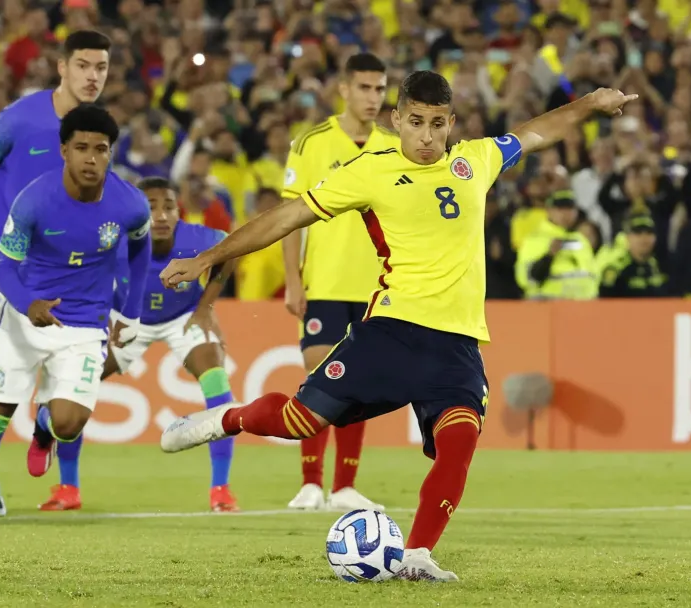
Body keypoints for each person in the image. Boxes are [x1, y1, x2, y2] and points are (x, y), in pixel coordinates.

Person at [158, 71, 636, 581]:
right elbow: (286, 217)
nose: (427, 136)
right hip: (389, 332)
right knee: (299, 422)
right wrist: (210, 255)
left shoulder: (476, 159)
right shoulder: (369, 171)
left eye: (437, 124)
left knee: (460, 444)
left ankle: (417, 555)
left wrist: (590, 103)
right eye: (415, 123)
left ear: (452, 123)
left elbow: (539, 130)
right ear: (396, 120)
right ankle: (224, 420)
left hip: (456, 345)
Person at [0, 105, 152, 530]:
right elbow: (6, 267)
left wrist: (133, 311)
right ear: (64, 151)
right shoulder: (33, 199)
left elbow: (142, 251)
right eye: (82, 148)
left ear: (111, 153)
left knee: (70, 424)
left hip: (85, 325)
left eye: (101, 149)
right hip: (24, 320)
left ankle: (45, 427)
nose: (92, 158)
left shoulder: (130, 204)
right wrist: (27, 304)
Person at [0, 30, 112, 517]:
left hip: (55, 265)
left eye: (101, 68)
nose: (92, 76)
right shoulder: (20, 118)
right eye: (83, 65)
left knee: (59, 370)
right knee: (2, 363)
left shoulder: (95, 131)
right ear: (61, 67)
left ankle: (46, 429)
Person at [35, 176, 241, 512]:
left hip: (183, 317)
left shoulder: (195, 238)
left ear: (180, 211)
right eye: (151, 207)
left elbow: (230, 251)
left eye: (169, 207)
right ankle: (67, 486)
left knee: (217, 382)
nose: (161, 216)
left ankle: (221, 490)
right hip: (127, 320)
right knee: (75, 389)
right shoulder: (115, 239)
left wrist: (206, 306)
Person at [280, 52, 398, 512]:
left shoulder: (393, 144)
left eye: (379, 88)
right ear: (344, 89)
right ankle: (311, 482)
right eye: (365, 88)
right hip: (325, 283)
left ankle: (345, 485)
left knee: (359, 385)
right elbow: (291, 218)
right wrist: (293, 280)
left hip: (377, 286)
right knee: (319, 379)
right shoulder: (312, 143)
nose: (373, 97)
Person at [598, 214, 667, 298]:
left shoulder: (664, 267)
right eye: (638, 233)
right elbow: (605, 303)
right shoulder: (616, 269)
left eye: (649, 233)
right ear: (628, 237)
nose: (644, 238)